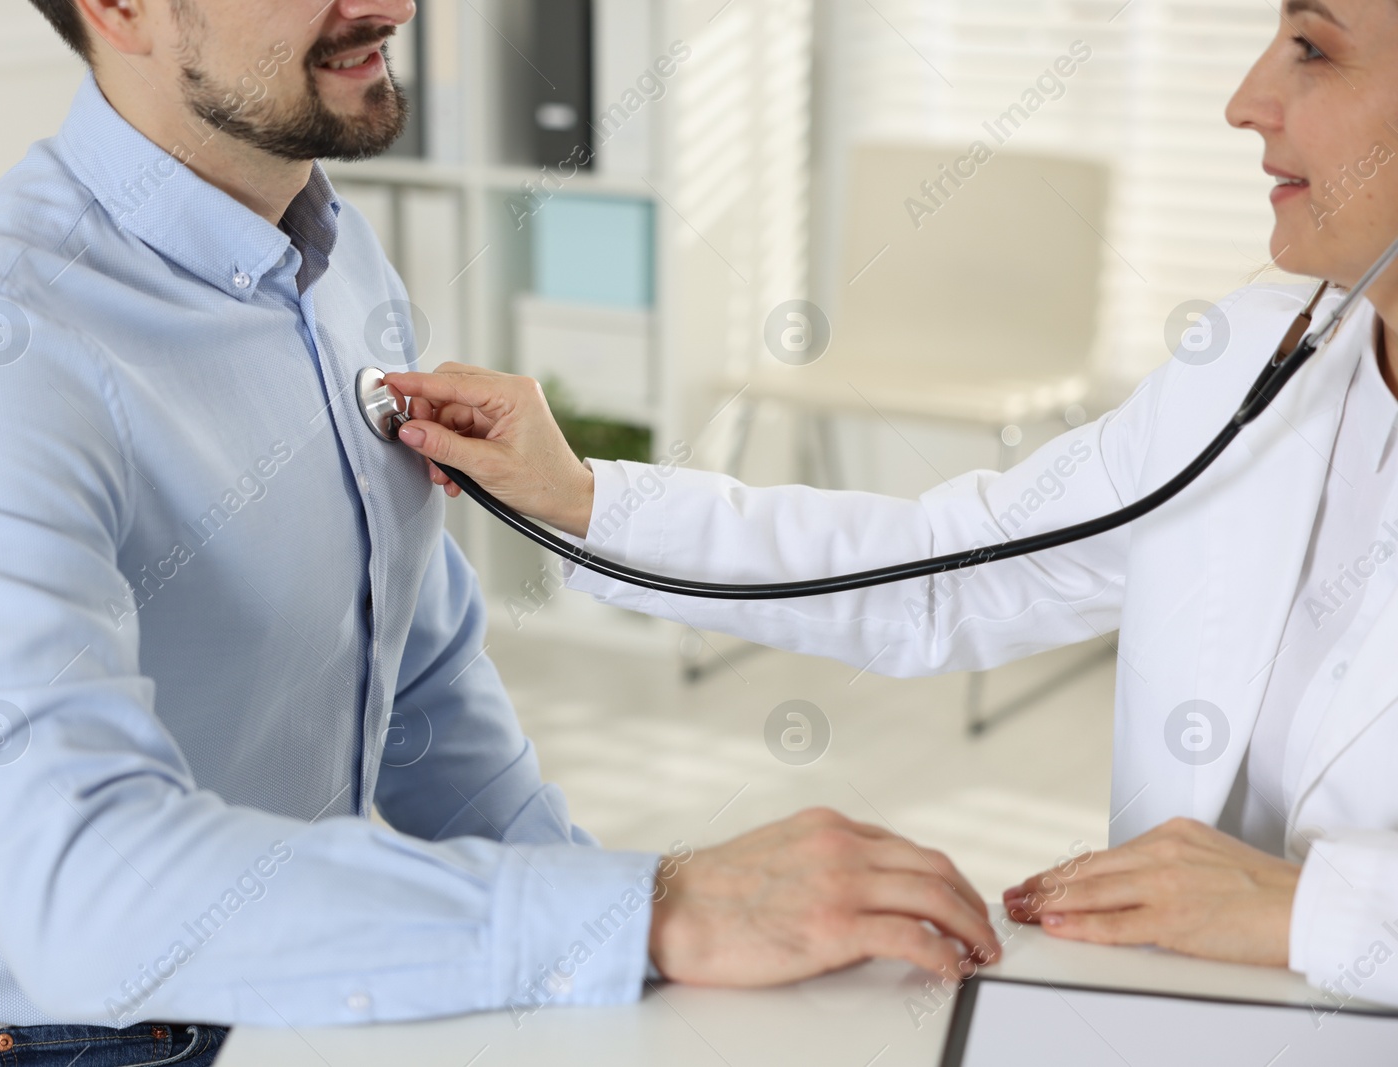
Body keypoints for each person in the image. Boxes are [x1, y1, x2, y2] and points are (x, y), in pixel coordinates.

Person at [0, 1, 1005, 1064]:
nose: (392, 5)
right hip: (75, 1042)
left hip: (306, 995)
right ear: (118, 8)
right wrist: (647, 910)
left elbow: (424, 684)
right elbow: (78, 883)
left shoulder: (338, 265)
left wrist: (637, 953)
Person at [387, 0, 1398, 1009]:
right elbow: (941, 574)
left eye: (1312, 48)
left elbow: (1306, 909)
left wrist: (1314, 911)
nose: (1242, 102)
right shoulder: (1266, 358)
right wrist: (584, 498)